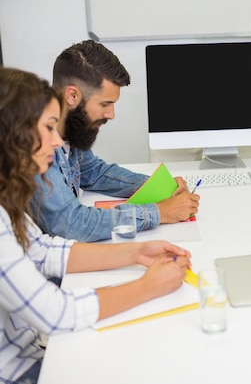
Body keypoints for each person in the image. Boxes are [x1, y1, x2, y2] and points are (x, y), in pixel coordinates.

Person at [0, 66, 192, 384]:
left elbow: (45, 250)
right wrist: (147, 286)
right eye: (48, 127)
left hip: (30, 349)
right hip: (18, 372)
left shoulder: (7, 197)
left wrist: (136, 252)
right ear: (14, 134)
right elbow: (55, 313)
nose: (58, 139)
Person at [29, 40, 199, 242]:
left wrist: (160, 188)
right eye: (105, 104)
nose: (111, 114)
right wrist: (160, 212)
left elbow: (93, 172)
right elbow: (72, 223)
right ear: (72, 95)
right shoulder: (38, 145)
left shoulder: (71, 129)